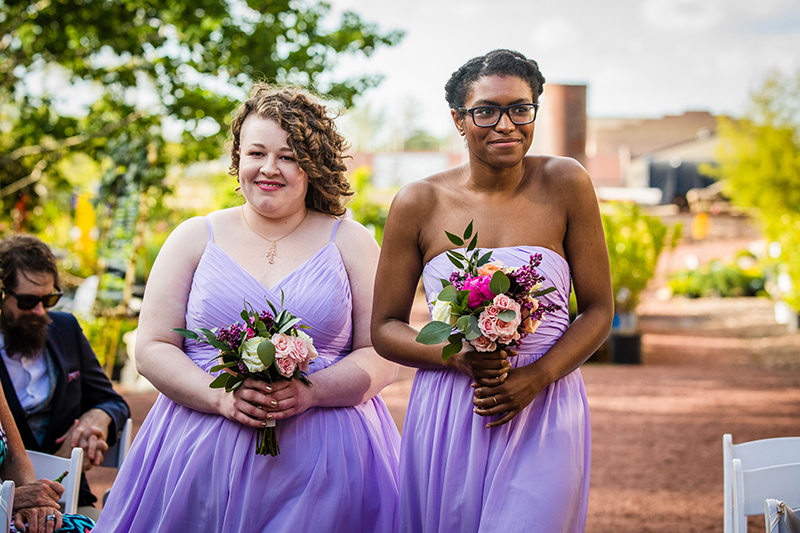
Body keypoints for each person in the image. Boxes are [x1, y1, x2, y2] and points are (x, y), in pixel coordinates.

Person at [93, 84, 401, 532]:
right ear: (238, 157)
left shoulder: (352, 242)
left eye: (289, 156)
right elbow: (153, 345)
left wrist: (312, 390)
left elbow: (379, 352)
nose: (269, 169)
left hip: (330, 462)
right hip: (197, 454)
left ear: (313, 165)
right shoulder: (194, 237)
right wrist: (220, 396)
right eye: (256, 153)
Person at [371, 49, 614, 532]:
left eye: (520, 109)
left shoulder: (566, 182)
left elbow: (599, 310)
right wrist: (456, 355)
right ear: (459, 120)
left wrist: (538, 376)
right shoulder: (419, 202)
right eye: (486, 110)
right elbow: (384, 328)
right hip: (453, 405)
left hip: (546, 404)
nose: (506, 124)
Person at [0, 235, 131, 521]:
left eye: (49, 299)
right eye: (27, 300)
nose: (40, 311)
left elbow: (113, 402)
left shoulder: (65, 328)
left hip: (70, 500)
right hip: (8, 505)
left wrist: (96, 418)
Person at [0, 380, 96, 532]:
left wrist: (35, 504)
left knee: (80, 526)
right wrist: (8, 499)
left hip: (6, 511)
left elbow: (14, 457)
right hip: (3, 507)